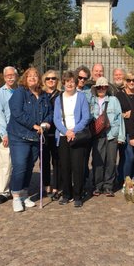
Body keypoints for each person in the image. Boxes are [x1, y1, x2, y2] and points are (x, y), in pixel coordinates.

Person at [7, 67, 52, 212]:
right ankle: (15, 196)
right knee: (20, 166)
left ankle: (24, 194)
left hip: (35, 137)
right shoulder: (20, 92)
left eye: (35, 76)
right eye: (29, 76)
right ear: (25, 79)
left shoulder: (44, 95)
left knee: (28, 166)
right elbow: (17, 113)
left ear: (39, 79)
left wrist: (46, 123)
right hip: (19, 136)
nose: (32, 78)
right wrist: (34, 125)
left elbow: (49, 112)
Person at [54, 71, 91, 207]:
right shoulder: (59, 99)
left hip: (77, 136)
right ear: (63, 83)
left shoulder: (81, 97)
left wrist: (73, 131)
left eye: (72, 81)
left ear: (76, 83)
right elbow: (56, 119)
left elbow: (86, 117)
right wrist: (66, 131)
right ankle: (66, 194)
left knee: (78, 167)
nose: (69, 84)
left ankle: (77, 195)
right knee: (65, 166)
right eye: (67, 81)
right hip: (63, 136)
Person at [89, 77, 125, 196]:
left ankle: (108, 186)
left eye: (104, 87)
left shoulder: (114, 100)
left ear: (107, 88)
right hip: (98, 134)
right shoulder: (92, 100)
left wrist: (121, 136)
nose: (101, 89)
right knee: (98, 161)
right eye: (99, 87)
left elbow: (119, 118)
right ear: (95, 89)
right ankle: (98, 185)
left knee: (111, 160)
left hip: (111, 134)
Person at [0, 66, 18, 205]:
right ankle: (2, 191)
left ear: (16, 76)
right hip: (7, 133)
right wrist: (4, 134)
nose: (10, 77)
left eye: (12, 75)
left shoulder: (21, 90)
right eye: (7, 75)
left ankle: (16, 189)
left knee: (19, 163)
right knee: (5, 163)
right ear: (4, 77)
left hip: (19, 132)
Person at [116, 71, 134, 185]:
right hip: (125, 130)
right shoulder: (119, 95)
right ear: (125, 82)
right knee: (128, 156)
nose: (131, 82)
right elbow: (115, 113)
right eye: (129, 80)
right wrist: (123, 115)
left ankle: (132, 178)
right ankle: (125, 180)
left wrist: (132, 113)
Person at [42, 69, 62, 199]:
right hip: (43, 132)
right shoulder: (41, 94)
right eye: (48, 78)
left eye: (53, 78)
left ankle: (56, 186)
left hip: (57, 131)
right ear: (44, 81)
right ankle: (46, 185)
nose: (51, 80)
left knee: (57, 161)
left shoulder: (61, 94)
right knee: (43, 161)